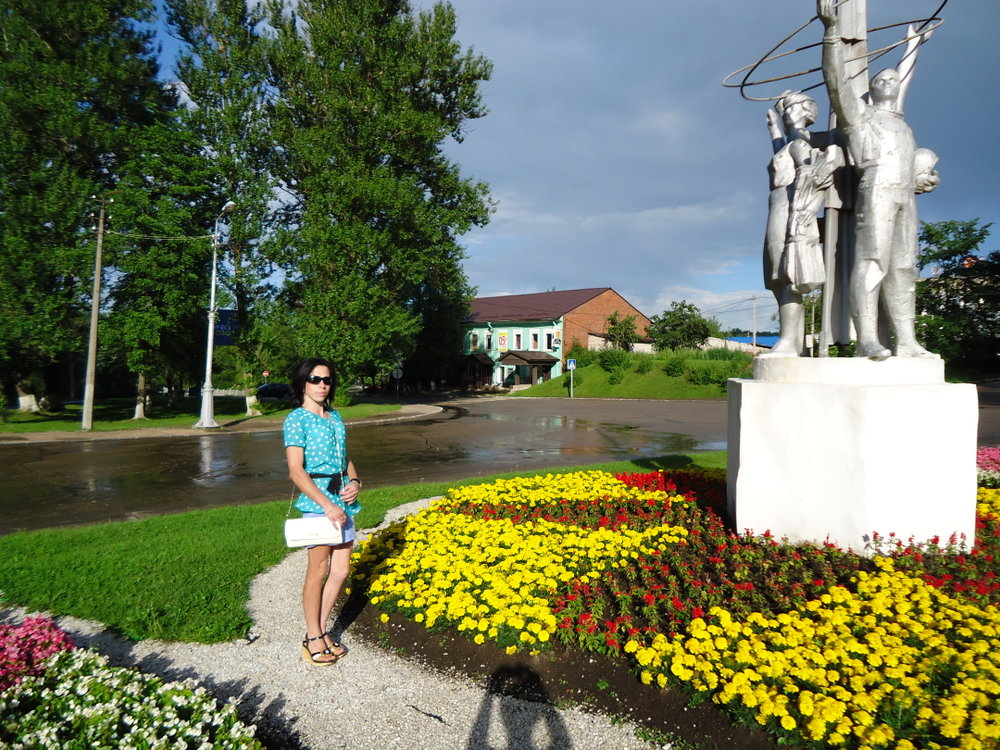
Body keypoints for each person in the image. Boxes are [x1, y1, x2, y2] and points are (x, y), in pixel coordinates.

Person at [818, 0, 939, 358]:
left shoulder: (899, 117)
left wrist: (914, 44)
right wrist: (831, 32)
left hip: (906, 196)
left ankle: (907, 341)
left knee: (904, 266)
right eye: (881, 79)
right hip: (877, 191)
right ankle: (866, 339)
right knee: (873, 260)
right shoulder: (861, 117)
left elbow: (905, 77)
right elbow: (836, 83)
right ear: (872, 88)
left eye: (892, 78)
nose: (889, 81)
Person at [284, 357, 362, 666]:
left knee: (341, 570)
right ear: (303, 382)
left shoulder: (335, 417)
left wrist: (355, 481)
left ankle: (320, 631)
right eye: (315, 379)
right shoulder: (296, 419)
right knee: (319, 570)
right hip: (319, 504)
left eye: (327, 380)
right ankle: (313, 635)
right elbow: (295, 471)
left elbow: (345, 460)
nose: (322, 385)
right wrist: (327, 505)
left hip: (343, 503)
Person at [761, 90, 841, 357]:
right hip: (777, 208)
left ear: (806, 110)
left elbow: (809, 176)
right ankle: (796, 342)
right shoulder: (789, 144)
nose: (785, 114)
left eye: (789, 109)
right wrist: (773, 131)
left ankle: (788, 341)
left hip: (790, 210)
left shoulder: (800, 145)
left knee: (788, 277)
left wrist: (801, 215)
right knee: (776, 278)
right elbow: (781, 155)